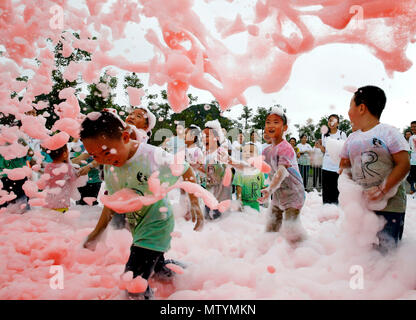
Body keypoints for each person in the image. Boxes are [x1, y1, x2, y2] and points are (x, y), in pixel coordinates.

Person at [80, 111, 204, 300]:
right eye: (94, 156)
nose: (102, 160)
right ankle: (196, 276)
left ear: (125, 137)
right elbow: (114, 201)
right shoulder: (109, 164)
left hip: (157, 223)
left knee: (133, 282)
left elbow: (185, 169)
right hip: (137, 225)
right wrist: (97, 232)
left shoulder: (152, 155)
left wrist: (194, 201)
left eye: (106, 152)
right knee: (156, 270)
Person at [339, 86, 410, 253]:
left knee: (387, 255)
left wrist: (383, 188)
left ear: (361, 107)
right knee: (365, 253)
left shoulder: (389, 133)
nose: (348, 112)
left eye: (350, 106)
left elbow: (404, 164)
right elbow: (344, 166)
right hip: (363, 207)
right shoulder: (351, 138)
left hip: (391, 207)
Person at [259, 107, 306, 243]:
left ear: (285, 127)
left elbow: (281, 171)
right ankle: (269, 256)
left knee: (292, 231)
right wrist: (232, 162)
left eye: (276, 122)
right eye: (268, 122)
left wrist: (269, 189)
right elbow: (254, 165)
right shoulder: (267, 150)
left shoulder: (285, 147)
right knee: (271, 228)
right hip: (279, 194)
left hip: (293, 194)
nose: (271, 125)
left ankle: (306, 254)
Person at [39, 145, 79, 213]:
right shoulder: (67, 167)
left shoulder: (48, 166)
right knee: (62, 222)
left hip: (49, 202)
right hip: (61, 203)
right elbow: (74, 178)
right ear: (64, 154)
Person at [319, 114, 347, 204]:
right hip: (326, 166)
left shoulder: (342, 134)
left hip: (337, 167)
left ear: (338, 123)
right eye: (330, 120)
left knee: (336, 190)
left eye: (334, 121)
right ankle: (326, 210)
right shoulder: (324, 135)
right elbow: (324, 150)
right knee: (326, 191)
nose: (332, 123)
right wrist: (319, 146)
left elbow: (345, 151)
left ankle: (336, 212)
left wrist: (343, 167)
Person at [233, 143, 265, 212]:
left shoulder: (260, 171)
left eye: (251, 151)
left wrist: (265, 201)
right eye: (245, 151)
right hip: (244, 202)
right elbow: (238, 189)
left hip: (256, 203)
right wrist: (239, 203)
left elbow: (264, 187)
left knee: (255, 220)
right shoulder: (240, 170)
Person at [407, 121, 416, 194]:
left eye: (414, 126)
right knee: (410, 177)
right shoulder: (411, 138)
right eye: (412, 127)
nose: (413, 128)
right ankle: (413, 188)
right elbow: (409, 149)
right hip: (413, 161)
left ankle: (413, 189)